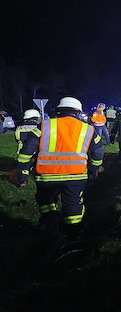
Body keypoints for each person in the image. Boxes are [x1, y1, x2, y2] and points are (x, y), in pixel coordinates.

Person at [9, 97, 104, 241]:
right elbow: (98, 151)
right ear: (78, 112)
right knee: (73, 205)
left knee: (46, 201)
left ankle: (51, 224)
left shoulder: (45, 125)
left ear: (58, 111)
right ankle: (73, 234)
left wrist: (21, 168)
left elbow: (28, 147)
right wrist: (94, 169)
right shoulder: (88, 129)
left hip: (46, 176)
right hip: (75, 176)